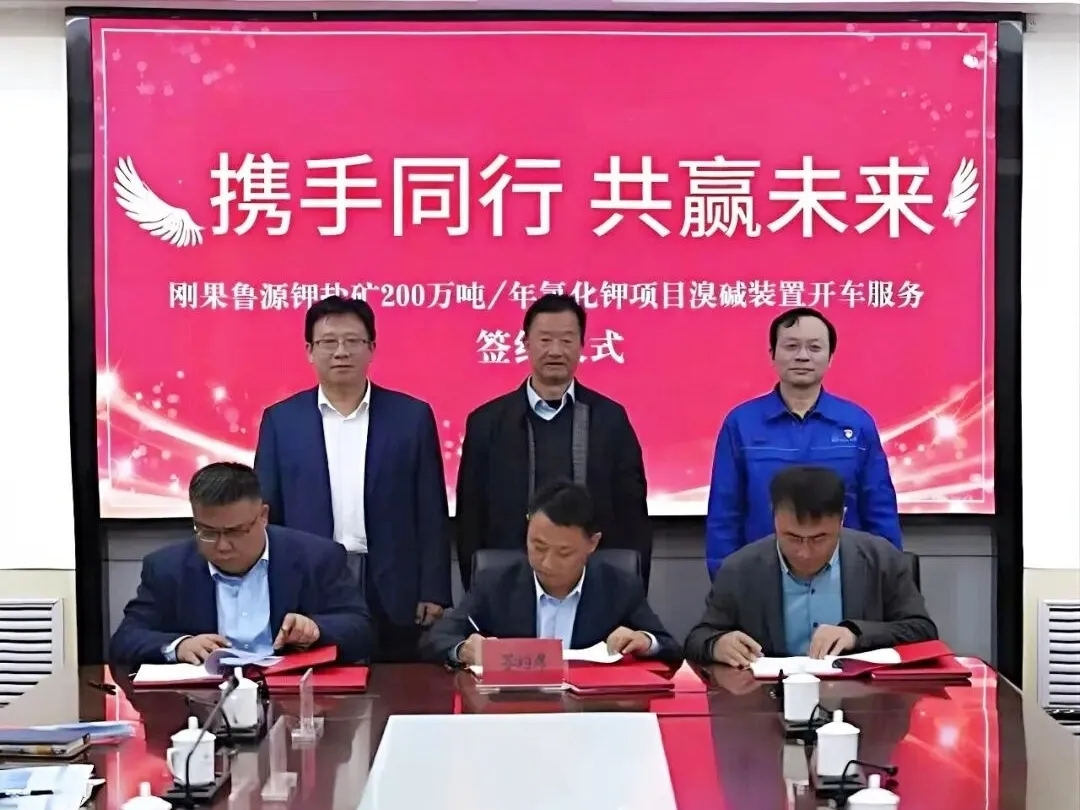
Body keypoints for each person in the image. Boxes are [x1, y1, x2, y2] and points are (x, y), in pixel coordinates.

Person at [253, 295, 451, 662]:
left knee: (398, 682)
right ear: (310, 351)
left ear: (371, 348)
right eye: (328, 342)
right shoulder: (281, 421)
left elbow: (430, 510)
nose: (341, 351)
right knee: (318, 684)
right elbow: (268, 513)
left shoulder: (411, 417)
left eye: (352, 341)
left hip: (393, 583)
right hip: (312, 582)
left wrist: (434, 589)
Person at [456, 293, 651, 589]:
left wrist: (631, 590)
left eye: (567, 340)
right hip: (509, 584)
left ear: (582, 345)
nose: (556, 351)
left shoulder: (610, 419)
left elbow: (633, 515)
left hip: (595, 584)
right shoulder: (487, 422)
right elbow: (471, 518)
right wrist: (477, 593)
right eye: (545, 340)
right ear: (526, 344)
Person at [109, 462, 373, 667]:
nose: (222, 545)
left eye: (235, 531)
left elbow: (361, 630)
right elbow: (125, 639)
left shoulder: (317, 557)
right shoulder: (167, 568)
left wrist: (316, 630)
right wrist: (179, 646)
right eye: (208, 532)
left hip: (292, 698)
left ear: (263, 516)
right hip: (205, 702)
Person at [704, 307, 901, 576]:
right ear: (772, 354)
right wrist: (725, 580)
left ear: (830, 357)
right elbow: (725, 514)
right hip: (762, 574)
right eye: (791, 346)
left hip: (847, 575)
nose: (802, 356)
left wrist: (889, 576)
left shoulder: (857, 423)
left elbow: (879, 508)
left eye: (814, 347)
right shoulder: (740, 423)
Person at [685, 465, 935, 666]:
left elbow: (922, 630)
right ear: (774, 518)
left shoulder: (881, 559)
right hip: (768, 701)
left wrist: (856, 634)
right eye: (792, 537)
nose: (804, 553)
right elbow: (697, 638)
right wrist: (716, 645)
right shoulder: (740, 569)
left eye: (819, 538)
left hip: (862, 700)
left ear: (841, 519)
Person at [424, 481, 679, 665]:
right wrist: (463, 650)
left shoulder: (619, 586)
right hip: (514, 710)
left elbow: (669, 646)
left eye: (564, 552)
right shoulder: (495, 583)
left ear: (592, 543)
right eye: (538, 546)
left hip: (590, 713)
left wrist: (644, 640)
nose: (547, 562)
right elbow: (436, 639)